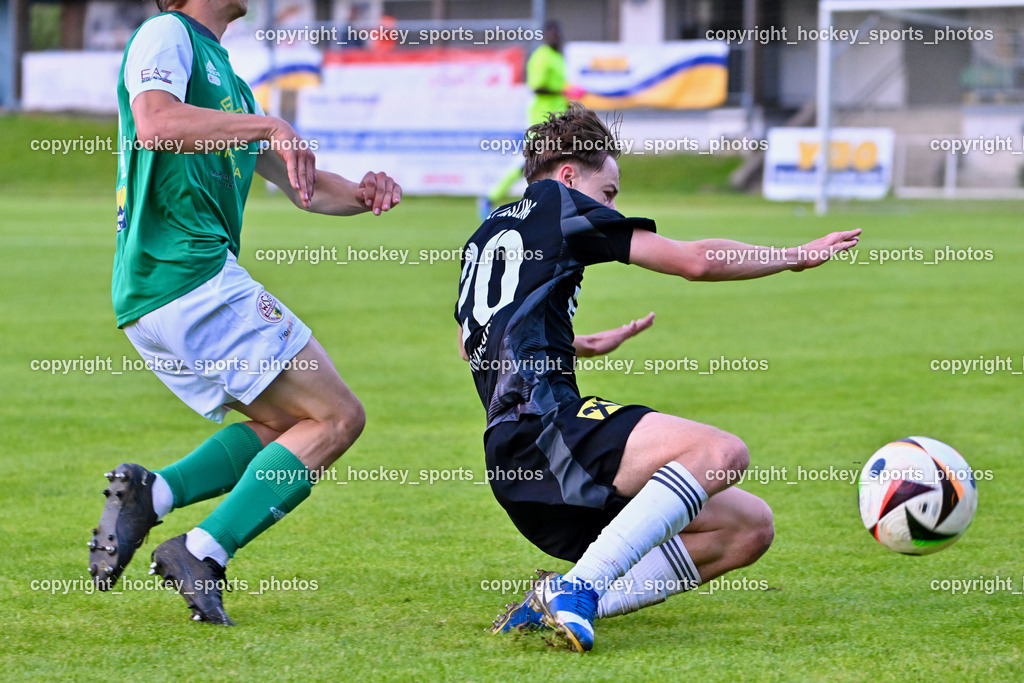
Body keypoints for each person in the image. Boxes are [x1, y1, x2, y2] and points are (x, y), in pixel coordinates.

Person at [455, 104, 860, 652]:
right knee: (721, 454)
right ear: (570, 175)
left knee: (748, 528)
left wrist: (575, 342)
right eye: (610, 192)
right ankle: (579, 587)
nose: (613, 207)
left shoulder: (486, 233)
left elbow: (472, 343)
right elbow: (694, 259)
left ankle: (553, 600)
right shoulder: (560, 203)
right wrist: (791, 256)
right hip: (548, 437)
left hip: (517, 464)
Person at [89, 0, 401, 625]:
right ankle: (202, 550)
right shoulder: (166, 33)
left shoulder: (226, 78)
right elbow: (154, 122)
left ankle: (155, 492)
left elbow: (299, 187)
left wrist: (363, 195)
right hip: (191, 276)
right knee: (338, 418)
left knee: (291, 424)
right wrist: (268, 126)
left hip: (158, 293)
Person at [479, 20, 584, 218]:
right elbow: (537, 87)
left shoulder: (557, 57)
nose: (555, 37)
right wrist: (564, 90)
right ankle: (490, 196)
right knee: (529, 162)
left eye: (557, 34)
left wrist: (569, 98)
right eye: (551, 34)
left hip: (559, 119)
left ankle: (561, 205)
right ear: (545, 36)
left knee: (563, 160)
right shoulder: (541, 57)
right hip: (541, 119)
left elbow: (559, 89)